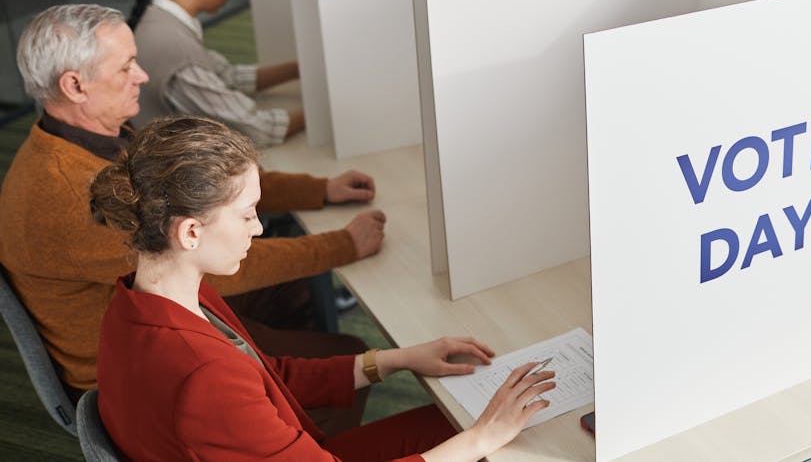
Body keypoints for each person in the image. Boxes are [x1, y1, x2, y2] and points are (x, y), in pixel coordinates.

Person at [0, 4, 382, 429]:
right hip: (136, 366)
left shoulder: (94, 137)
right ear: (74, 85)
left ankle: (282, 414)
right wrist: (344, 245)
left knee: (296, 297)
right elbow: (219, 263)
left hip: (163, 309)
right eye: (126, 66)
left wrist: (320, 191)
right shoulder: (73, 194)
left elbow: (208, 185)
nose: (142, 76)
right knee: (346, 353)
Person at [92, 116, 555, 461]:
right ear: (190, 232)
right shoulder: (202, 373)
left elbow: (269, 378)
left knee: (460, 422)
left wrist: (396, 359)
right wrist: (482, 439)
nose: (257, 228)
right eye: (247, 213)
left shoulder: (140, 299)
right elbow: (231, 387)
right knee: (493, 440)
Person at [128, 0, 303, 146]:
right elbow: (256, 129)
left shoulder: (159, 20)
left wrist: (297, 69)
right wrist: (322, 113)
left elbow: (225, 75)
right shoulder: (173, 46)